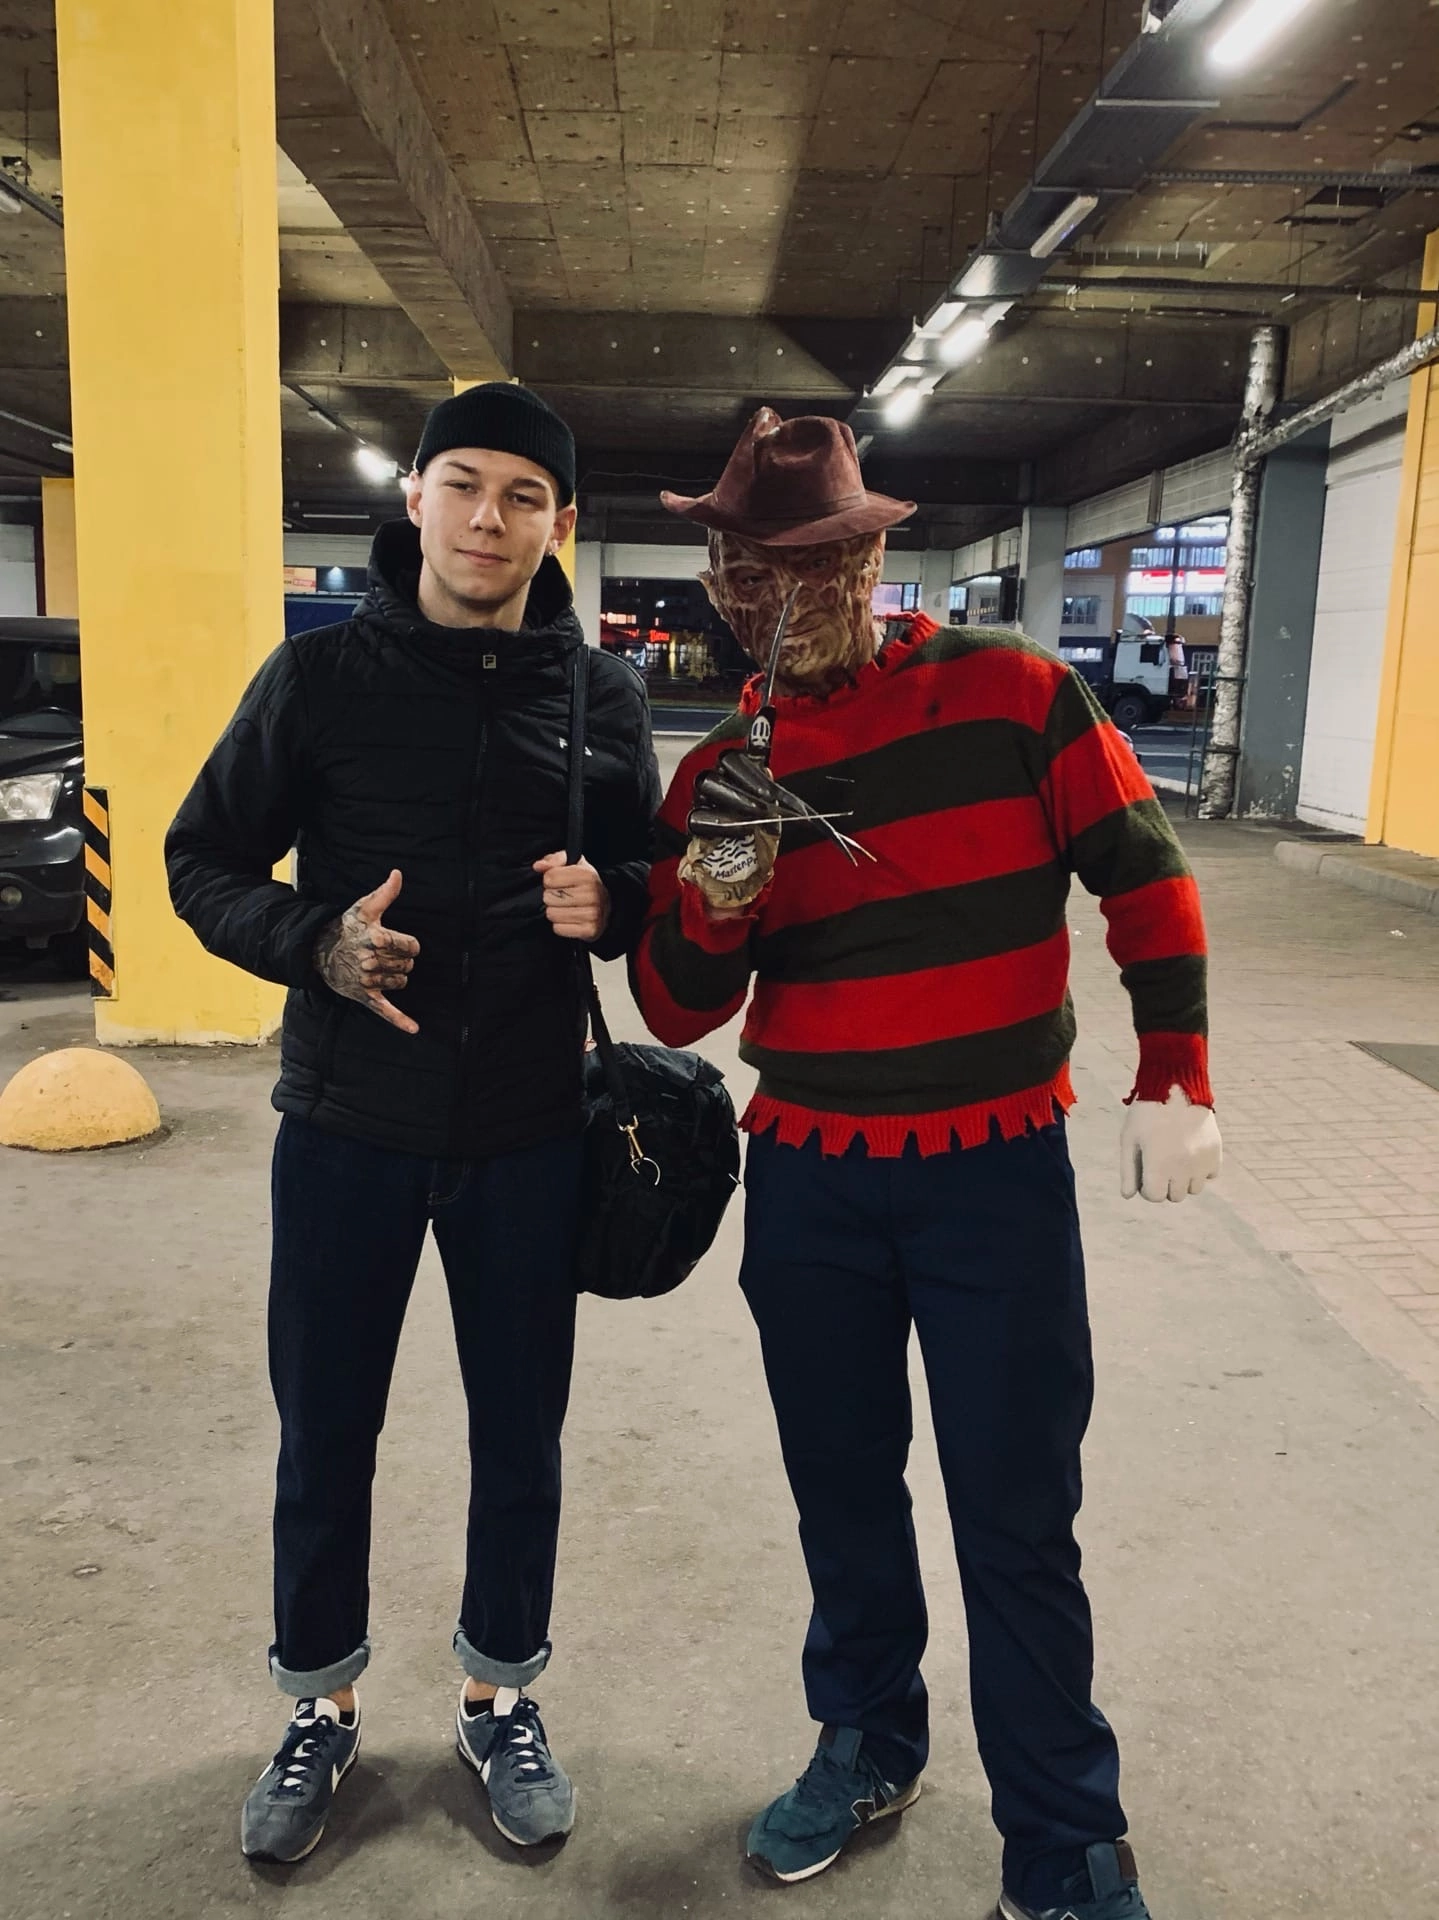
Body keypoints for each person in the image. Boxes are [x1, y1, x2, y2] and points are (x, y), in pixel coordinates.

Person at [631, 408, 1221, 1920]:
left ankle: (1061, 1841)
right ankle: (869, 1742)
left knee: (1015, 1511)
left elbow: (1147, 879)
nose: (791, 594)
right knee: (841, 1489)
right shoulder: (723, 768)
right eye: (758, 569)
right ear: (722, 582)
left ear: (872, 557)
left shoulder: (1016, 693)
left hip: (990, 1175)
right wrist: (717, 893)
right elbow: (677, 1010)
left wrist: (1173, 1073)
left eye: (821, 561)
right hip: (810, 1178)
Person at [166, 383, 660, 1865]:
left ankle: (500, 1694)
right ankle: (318, 1706)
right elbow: (201, 860)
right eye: (465, 485)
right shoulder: (320, 677)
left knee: (521, 1431)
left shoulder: (599, 694)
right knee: (326, 1427)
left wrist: (616, 902)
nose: (489, 519)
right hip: (347, 1126)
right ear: (415, 500)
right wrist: (315, 941)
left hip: (528, 1128)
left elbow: (645, 877)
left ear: (558, 524)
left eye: (524, 495)